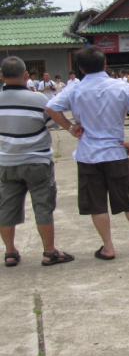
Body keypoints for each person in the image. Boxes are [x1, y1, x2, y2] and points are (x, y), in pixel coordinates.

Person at [45, 46, 129, 260]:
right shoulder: (120, 87)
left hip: (88, 154)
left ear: (81, 68)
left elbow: (51, 107)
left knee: (96, 202)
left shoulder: (74, 89)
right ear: (104, 64)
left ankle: (108, 247)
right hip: (115, 151)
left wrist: (70, 127)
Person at [0, 57, 75, 268]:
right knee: (43, 207)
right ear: (26, 76)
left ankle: (10, 252)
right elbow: (53, 122)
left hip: (7, 163)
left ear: (2, 77)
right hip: (37, 161)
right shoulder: (40, 101)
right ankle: (49, 252)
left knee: (6, 208)